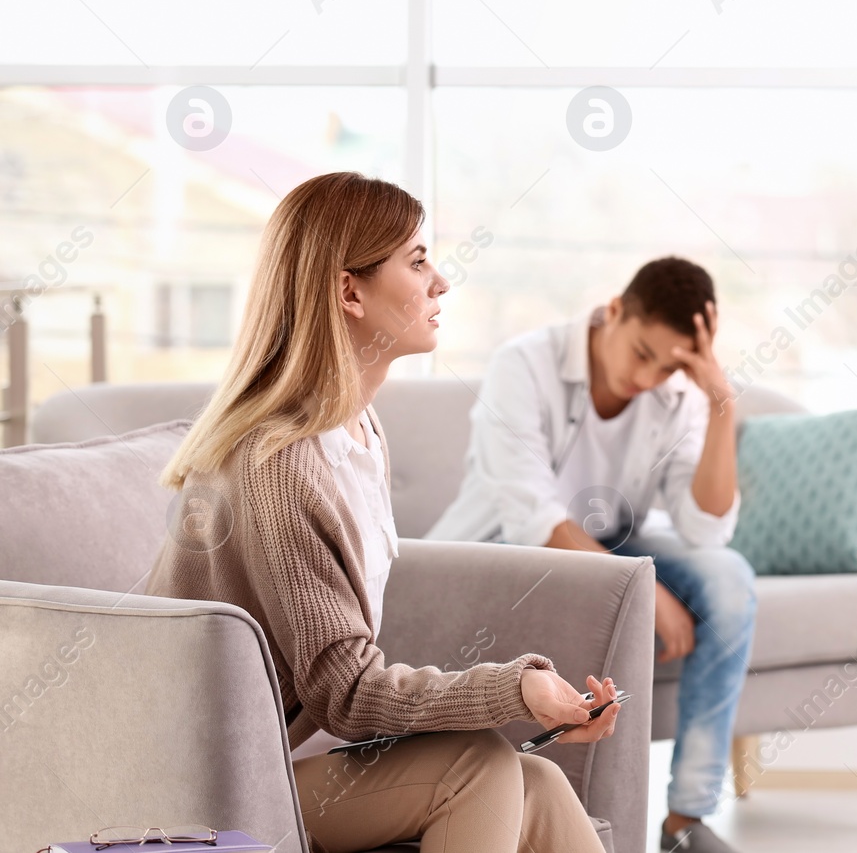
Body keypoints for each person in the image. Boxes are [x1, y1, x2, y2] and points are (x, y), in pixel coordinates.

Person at [146, 171, 620, 853]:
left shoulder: (358, 431)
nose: (441, 282)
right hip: (215, 782)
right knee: (476, 763)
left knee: (538, 780)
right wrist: (517, 688)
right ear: (349, 291)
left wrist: (526, 693)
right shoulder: (277, 463)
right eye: (418, 260)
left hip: (288, 758)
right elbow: (346, 692)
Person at [427, 256, 755, 853]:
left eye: (669, 366)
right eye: (642, 353)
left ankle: (685, 823)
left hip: (614, 546)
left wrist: (720, 406)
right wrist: (642, 589)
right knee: (595, 578)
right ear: (615, 311)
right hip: (500, 545)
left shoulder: (677, 395)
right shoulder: (523, 364)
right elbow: (530, 513)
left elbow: (706, 529)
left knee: (728, 578)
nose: (649, 377)